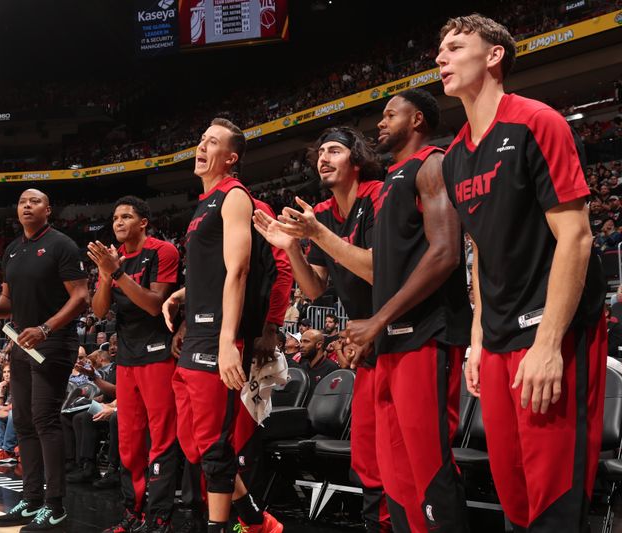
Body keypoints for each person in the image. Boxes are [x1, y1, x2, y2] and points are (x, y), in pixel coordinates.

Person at [436, 14, 606, 531]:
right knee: (514, 499)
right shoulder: (453, 159)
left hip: (554, 332)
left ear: (494, 57)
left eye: (454, 47)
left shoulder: (536, 121)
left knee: (554, 500)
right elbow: (482, 251)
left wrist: (550, 343)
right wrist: (478, 339)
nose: (439, 58)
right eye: (438, 50)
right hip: (498, 339)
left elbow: (576, 236)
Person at [341, 89, 471, 531]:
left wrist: (379, 319)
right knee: (395, 473)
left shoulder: (432, 163)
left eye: (389, 114)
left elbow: (445, 253)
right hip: (393, 344)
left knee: (428, 467)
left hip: (428, 335)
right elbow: (388, 269)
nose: (380, 122)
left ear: (417, 120)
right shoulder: (391, 180)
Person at [253, 126, 389, 532]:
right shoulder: (324, 212)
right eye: (319, 153)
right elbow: (313, 287)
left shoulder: (379, 194)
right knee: (367, 455)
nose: (323, 158)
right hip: (368, 344)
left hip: (401, 331)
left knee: (404, 453)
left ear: (357, 159)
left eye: (334, 150)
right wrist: (292, 247)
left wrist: (316, 234)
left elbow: (375, 267)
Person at [163, 118, 283, 533]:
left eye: (211, 141)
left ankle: (224, 527)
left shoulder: (233, 196)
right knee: (192, 442)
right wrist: (183, 293)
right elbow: (212, 270)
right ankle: (256, 520)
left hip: (218, 337)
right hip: (196, 332)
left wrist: (229, 341)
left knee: (214, 447)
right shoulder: (203, 204)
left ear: (230, 158)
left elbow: (239, 270)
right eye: (200, 138)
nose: (201, 145)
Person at [0, 188, 89, 531]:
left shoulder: (62, 245)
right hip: (21, 343)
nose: (27, 206)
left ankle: (55, 506)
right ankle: (32, 498)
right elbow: (8, 300)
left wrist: (46, 328)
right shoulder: (12, 249)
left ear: (48, 210)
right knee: (22, 419)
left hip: (53, 342)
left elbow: (81, 297)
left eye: (35, 201)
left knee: (44, 419)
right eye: (22, 201)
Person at [87, 195, 180, 533]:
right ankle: (133, 512)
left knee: (162, 440)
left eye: (126, 216)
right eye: (115, 218)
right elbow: (99, 311)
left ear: (143, 222)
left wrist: (119, 273)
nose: (119, 223)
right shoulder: (113, 260)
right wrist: (104, 273)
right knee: (128, 442)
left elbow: (156, 305)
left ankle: (159, 518)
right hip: (126, 358)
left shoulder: (162, 251)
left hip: (158, 354)